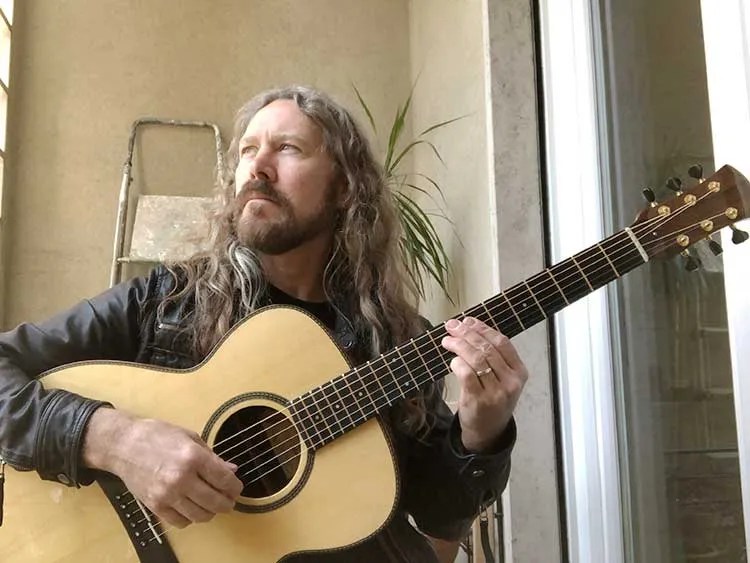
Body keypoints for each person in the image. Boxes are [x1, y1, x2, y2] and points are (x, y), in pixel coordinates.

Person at [0, 85, 528, 562]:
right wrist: (116, 440)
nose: (258, 167)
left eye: (288, 149)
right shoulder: (163, 301)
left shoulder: (397, 342)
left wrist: (480, 434)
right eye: (249, 150)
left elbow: (438, 519)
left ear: (345, 188)